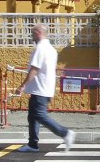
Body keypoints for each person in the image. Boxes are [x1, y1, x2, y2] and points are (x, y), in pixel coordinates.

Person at [14, 24, 76, 153]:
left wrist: (22, 85)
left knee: (40, 115)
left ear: (38, 33)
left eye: (32, 33)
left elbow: (34, 69)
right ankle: (32, 144)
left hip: (40, 89)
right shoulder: (51, 49)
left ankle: (65, 133)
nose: (31, 36)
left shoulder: (40, 48)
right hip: (44, 88)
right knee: (32, 116)